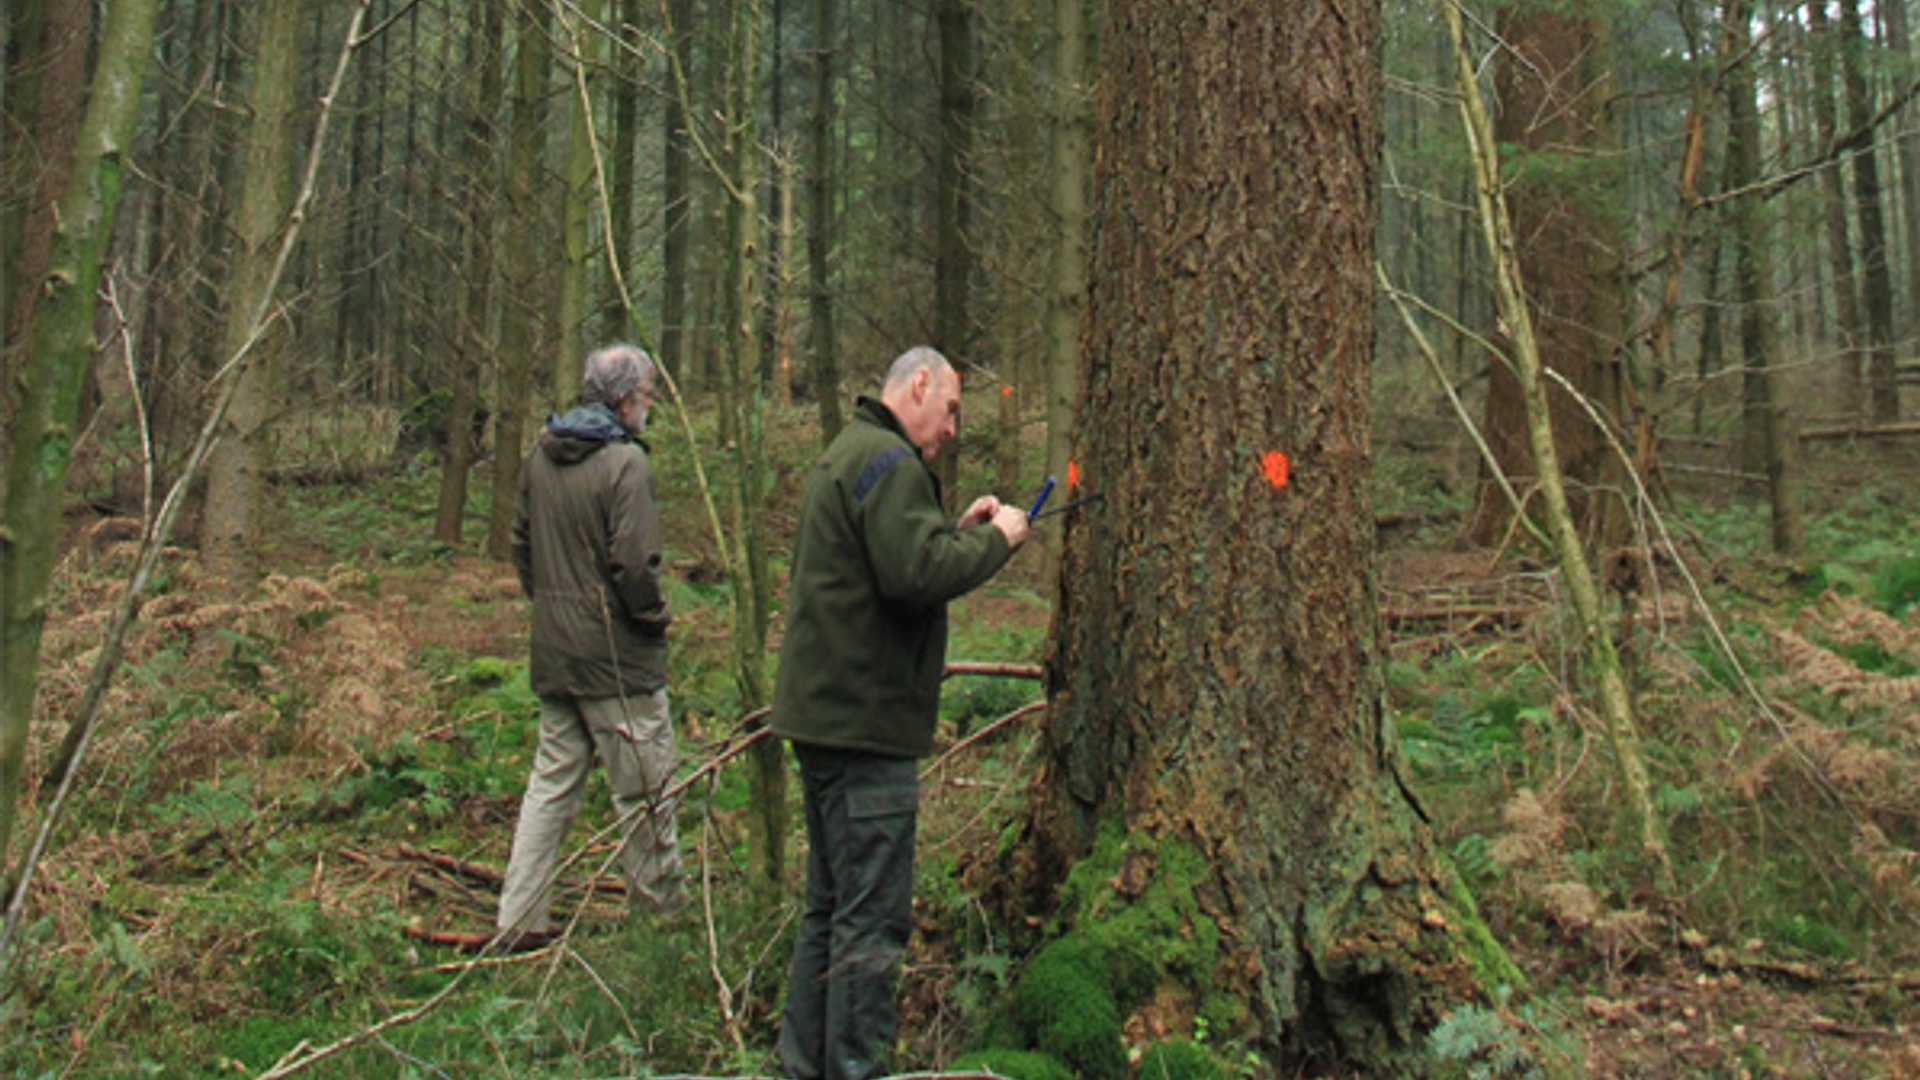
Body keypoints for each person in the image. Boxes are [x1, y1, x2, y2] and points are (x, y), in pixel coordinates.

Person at [771, 346, 1031, 1080]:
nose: (952, 429)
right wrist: (997, 540)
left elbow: (893, 556)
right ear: (917, 385)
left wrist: (958, 529)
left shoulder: (855, 456)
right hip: (863, 734)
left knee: (830, 910)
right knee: (869, 923)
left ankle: (804, 1067)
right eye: (950, 408)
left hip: (828, 724)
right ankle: (853, 1067)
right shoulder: (887, 464)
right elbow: (914, 573)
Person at [496, 344, 687, 952]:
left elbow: (520, 546)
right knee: (646, 791)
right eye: (648, 396)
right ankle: (661, 928)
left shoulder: (540, 456)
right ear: (624, 399)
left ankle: (519, 920)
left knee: (549, 789)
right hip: (617, 661)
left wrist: (552, 605)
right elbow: (635, 564)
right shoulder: (625, 464)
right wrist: (654, 619)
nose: (650, 406)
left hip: (555, 653)